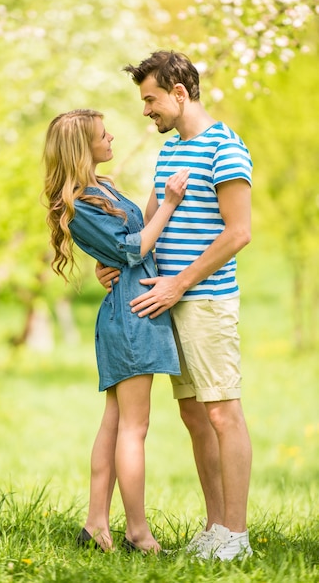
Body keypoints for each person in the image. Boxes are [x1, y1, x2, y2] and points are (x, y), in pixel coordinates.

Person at [97, 51, 253, 561]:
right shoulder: (172, 152)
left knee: (223, 413)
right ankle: (215, 527)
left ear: (180, 94)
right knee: (193, 415)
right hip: (167, 299)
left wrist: (178, 285)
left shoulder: (225, 148)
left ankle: (237, 533)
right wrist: (121, 260)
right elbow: (149, 224)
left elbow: (238, 233)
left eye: (151, 99)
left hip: (203, 300)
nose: (146, 111)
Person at [43, 108, 189, 553]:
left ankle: (95, 525)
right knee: (133, 430)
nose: (111, 137)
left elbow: (126, 245)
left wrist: (117, 260)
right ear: (81, 148)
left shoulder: (98, 189)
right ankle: (137, 532)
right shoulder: (81, 201)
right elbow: (137, 245)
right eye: (102, 134)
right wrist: (168, 202)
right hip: (132, 318)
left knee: (115, 424)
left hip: (128, 309)